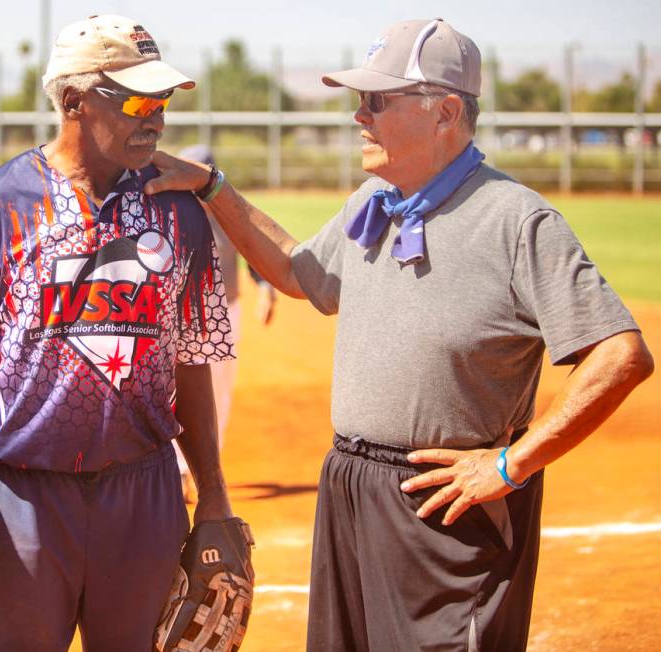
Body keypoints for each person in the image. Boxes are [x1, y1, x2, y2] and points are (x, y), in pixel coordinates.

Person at [143, 17, 655, 651]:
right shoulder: (376, 200)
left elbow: (622, 354)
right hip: (351, 491)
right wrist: (213, 188)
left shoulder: (517, 220)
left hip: (445, 511)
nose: (359, 115)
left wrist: (511, 464)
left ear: (444, 112)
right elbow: (300, 273)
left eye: (376, 101)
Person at [0, 15, 236, 651]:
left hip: (143, 493)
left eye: (162, 100)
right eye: (137, 100)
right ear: (73, 101)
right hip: (20, 497)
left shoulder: (179, 212)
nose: (156, 119)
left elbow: (192, 364)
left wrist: (217, 500)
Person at [174, 145, 277, 498]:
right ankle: (179, 468)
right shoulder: (171, 211)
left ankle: (205, 468)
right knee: (176, 391)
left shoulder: (227, 212)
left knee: (219, 392)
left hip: (224, 311)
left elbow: (254, 252)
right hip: (178, 316)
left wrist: (266, 290)